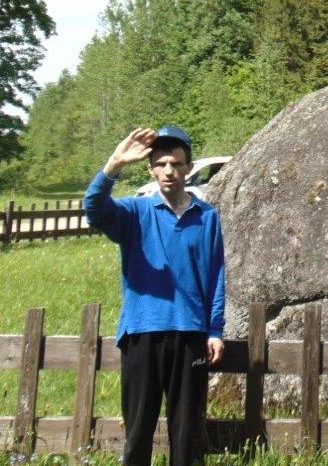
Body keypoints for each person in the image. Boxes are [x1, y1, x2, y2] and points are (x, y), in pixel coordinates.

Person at [83, 125, 225, 466]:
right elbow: (93, 207)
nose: (169, 171)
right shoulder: (134, 213)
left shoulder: (207, 217)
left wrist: (215, 330)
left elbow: (215, 275)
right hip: (142, 333)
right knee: (138, 431)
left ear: (189, 169)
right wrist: (113, 165)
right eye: (161, 164)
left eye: (176, 164)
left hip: (190, 335)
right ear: (150, 169)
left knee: (187, 434)